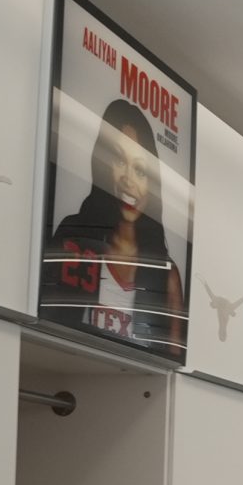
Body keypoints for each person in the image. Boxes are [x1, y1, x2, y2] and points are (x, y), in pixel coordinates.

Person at [41, 98, 186, 361]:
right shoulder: (72, 237)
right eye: (119, 161)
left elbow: (172, 370)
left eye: (141, 171)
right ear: (103, 165)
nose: (128, 180)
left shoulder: (166, 275)